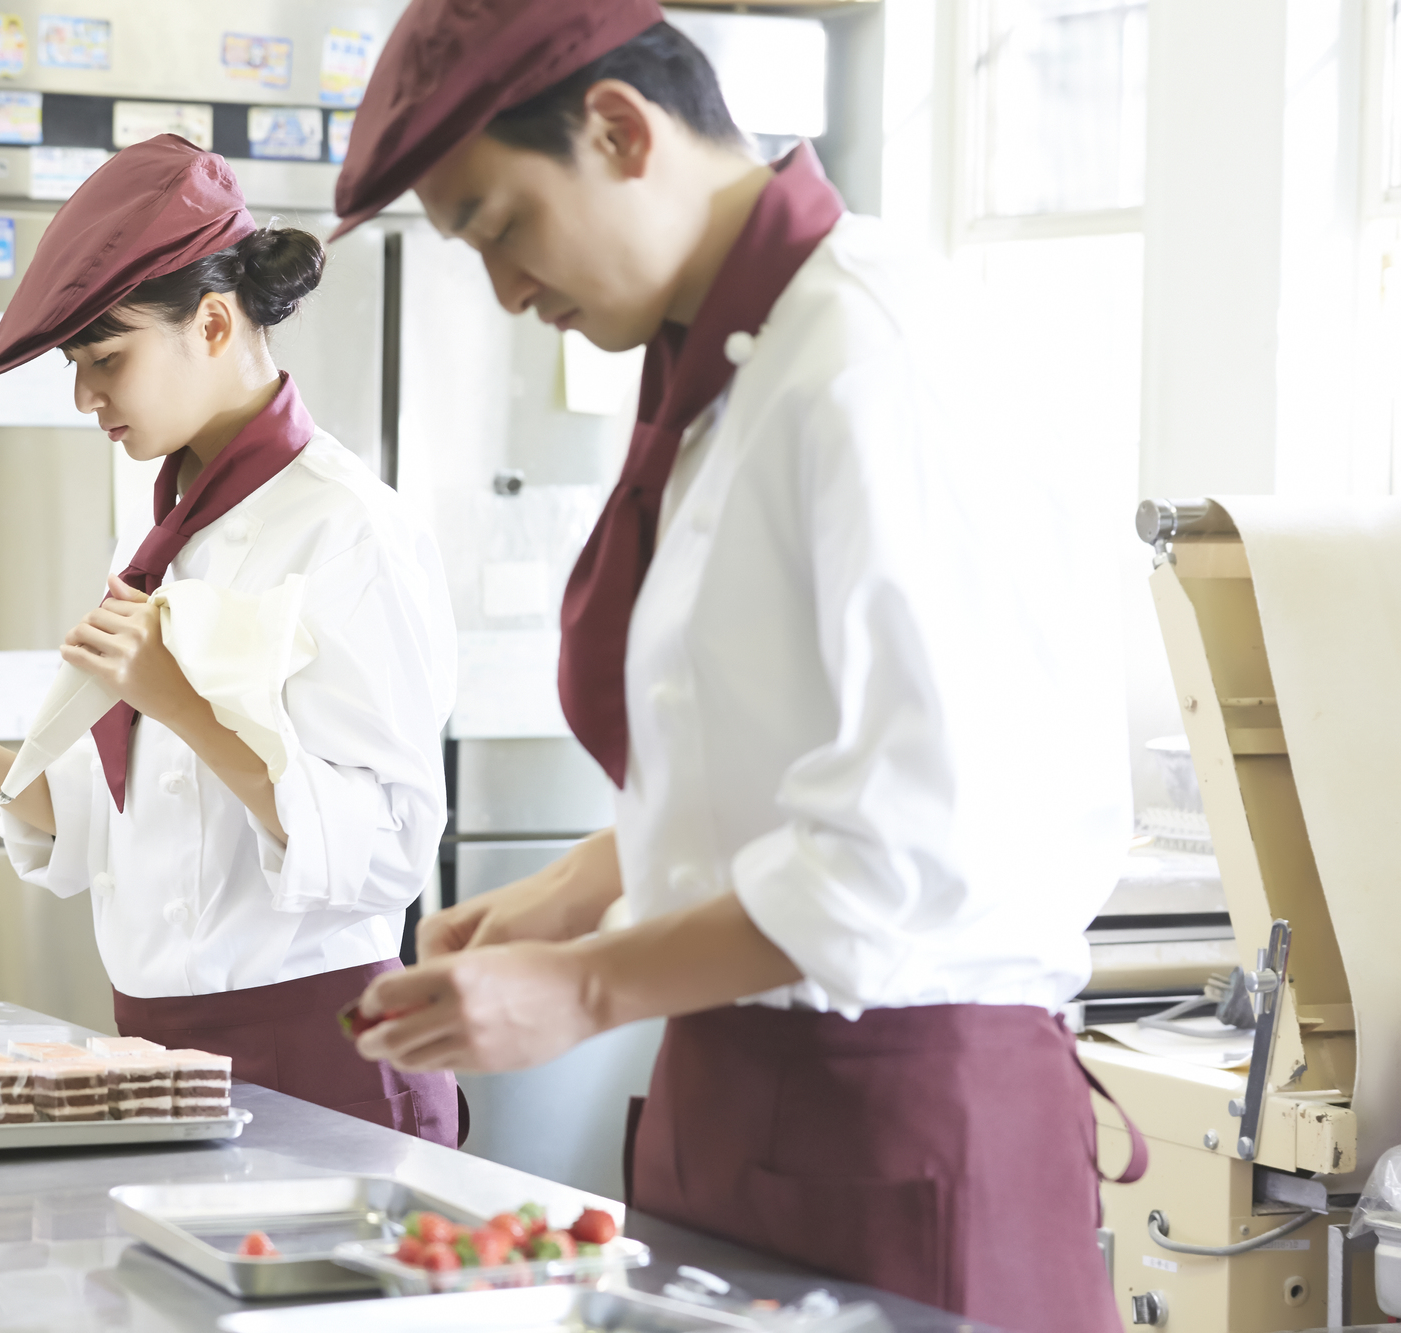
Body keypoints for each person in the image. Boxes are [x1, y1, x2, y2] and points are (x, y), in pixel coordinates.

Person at [327, 3, 1138, 1325]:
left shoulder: (875, 353)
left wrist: (585, 987)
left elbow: (914, 840)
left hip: (895, 1114)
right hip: (740, 1098)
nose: (507, 293)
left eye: (501, 227)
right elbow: (780, 744)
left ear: (617, 130)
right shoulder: (729, 368)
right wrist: (587, 884)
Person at [0, 135, 461, 1147]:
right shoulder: (164, 526)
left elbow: (390, 850)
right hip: (160, 1055)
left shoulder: (350, 529)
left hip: (317, 1056)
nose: (85, 398)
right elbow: (142, 816)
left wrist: (181, 704)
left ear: (213, 323)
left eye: (105, 360)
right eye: (77, 367)